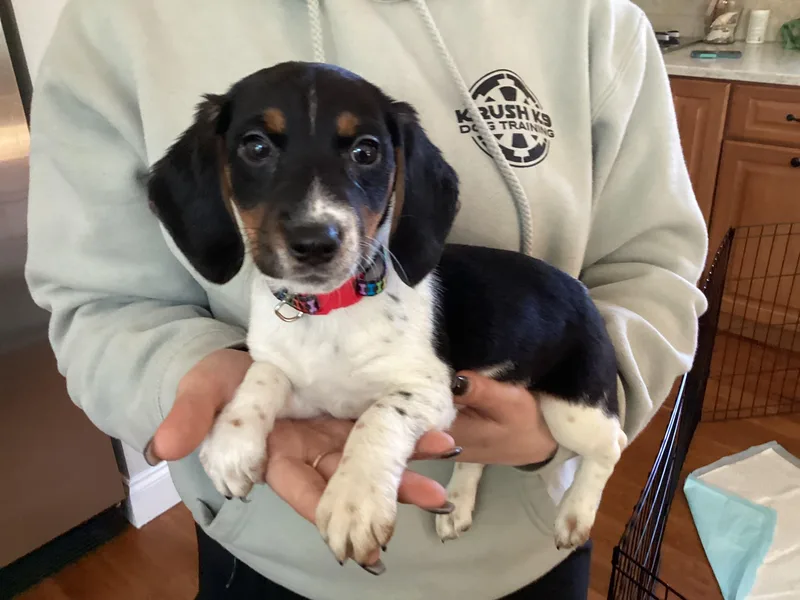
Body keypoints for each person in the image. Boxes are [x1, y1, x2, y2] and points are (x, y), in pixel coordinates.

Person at [24, 0, 709, 598]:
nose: (319, 222)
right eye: (258, 146)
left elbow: (654, 267)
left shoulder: (595, 16)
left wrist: (553, 429)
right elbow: (99, 302)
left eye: (363, 155)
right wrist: (192, 375)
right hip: (266, 551)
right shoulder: (117, 18)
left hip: (530, 553)